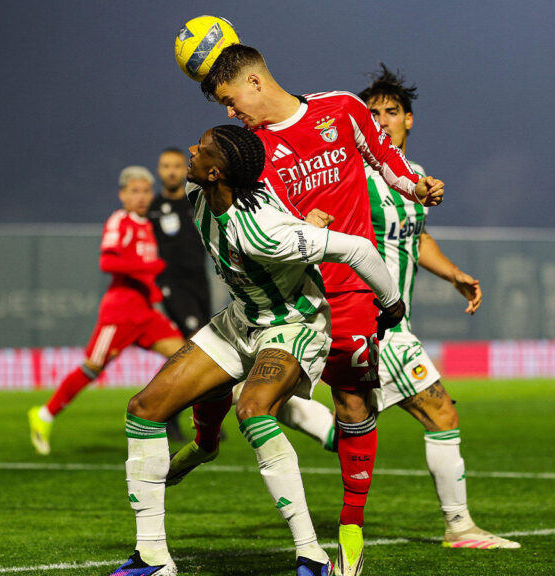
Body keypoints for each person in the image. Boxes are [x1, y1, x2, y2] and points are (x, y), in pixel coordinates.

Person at [170, 44, 445, 575]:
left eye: (229, 99)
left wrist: (419, 186)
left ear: (253, 82)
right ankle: (205, 443)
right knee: (225, 380)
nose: (228, 113)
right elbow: (255, 219)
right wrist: (300, 224)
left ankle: (350, 529)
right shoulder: (247, 149)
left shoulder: (340, 108)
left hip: (354, 286)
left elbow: (388, 165)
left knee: (351, 401)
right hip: (290, 295)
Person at [109, 124, 405, 576]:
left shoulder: (265, 232)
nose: (192, 150)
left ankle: (312, 556)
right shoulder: (196, 187)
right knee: (143, 408)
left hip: (294, 324)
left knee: (253, 410)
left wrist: (392, 303)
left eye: (202, 149)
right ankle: (152, 557)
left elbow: (360, 250)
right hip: (241, 319)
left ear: (215, 173)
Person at [281, 65, 521, 549]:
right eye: (372, 112)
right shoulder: (354, 176)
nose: (382, 119)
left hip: (390, 316)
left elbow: (416, 238)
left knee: (358, 419)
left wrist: (453, 273)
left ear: (409, 120)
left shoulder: (408, 177)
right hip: (376, 319)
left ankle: (293, 406)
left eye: (391, 111)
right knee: (441, 415)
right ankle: (460, 527)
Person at [28, 166, 185, 455]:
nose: (141, 197)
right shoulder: (120, 221)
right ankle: (44, 415)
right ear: (122, 194)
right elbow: (108, 263)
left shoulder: (147, 225)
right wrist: (151, 268)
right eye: (134, 191)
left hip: (145, 313)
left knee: (184, 355)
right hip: (119, 313)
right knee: (92, 367)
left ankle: (159, 415)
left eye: (145, 191)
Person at [148, 148, 213, 442]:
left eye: (176, 165)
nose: (172, 171)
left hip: (199, 282)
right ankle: (169, 416)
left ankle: (198, 416)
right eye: (166, 166)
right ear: (159, 170)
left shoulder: (195, 199)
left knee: (195, 350)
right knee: (196, 345)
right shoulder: (152, 207)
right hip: (171, 285)